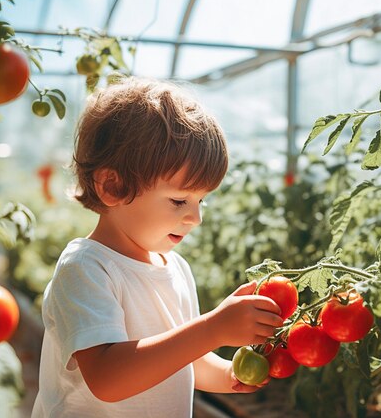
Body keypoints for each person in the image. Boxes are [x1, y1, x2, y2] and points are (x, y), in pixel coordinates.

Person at [31, 77, 283, 418]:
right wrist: (212, 329)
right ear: (112, 186)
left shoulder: (175, 268)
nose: (195, 217)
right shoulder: (86, 268)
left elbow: (185, 359)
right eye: (179, 200)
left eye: (201, 201)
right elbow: (108, 378)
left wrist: (230, 374)